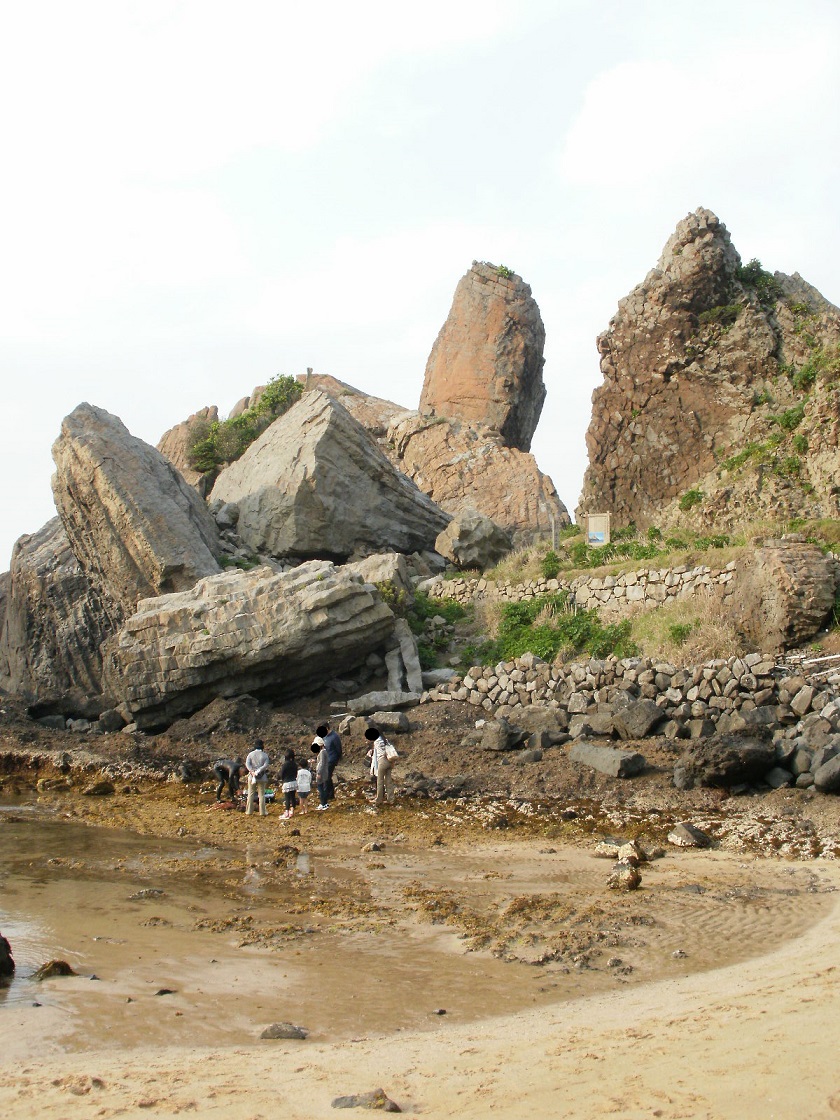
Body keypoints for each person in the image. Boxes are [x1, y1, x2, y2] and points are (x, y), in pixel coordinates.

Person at [365, 726, 396, 806]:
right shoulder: (385, 740)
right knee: (388, 781)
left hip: (382, 761)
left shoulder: (377, 741)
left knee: (380, 781)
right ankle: (391, 799)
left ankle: (379, 800)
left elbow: (377, 754)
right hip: (389, 761)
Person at [316, 723, 342, 801]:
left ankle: (326, 795)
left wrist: (337, 759)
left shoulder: (334, 737)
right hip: (325, 759)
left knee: (326, 776)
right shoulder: (324, 737)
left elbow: (339, 749)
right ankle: (330, 794)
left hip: (332, 759)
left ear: (327, 728)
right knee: (327, 777)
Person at [245, 740, 270, 817]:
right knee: (261, 795)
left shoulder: (250, 754)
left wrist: (252, 772)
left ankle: (249, 811)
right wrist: (259, 770)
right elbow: (265, 765)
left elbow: (247, 764)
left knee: (250, 793)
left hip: (252, 777)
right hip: (262, 777)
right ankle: (262, 812)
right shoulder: (265, 755)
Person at [279, 748, 299, 819]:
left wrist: (282, 779)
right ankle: (292, 811)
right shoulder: (294, 764)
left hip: (287, 782)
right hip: (294, 782)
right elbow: (296, 773)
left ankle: (287, 812)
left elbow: (282, 774)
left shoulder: (285, 765)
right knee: (293, 797)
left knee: (287, 798)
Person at [314, 736, 330, 810]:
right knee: (323, 788)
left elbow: (322, 763)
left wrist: (319, 773)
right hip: (324, 772)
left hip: (322, 773)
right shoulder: (323, 751)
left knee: (321, 788)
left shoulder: (322, 752)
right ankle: (324, 803)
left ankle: (323, 803)